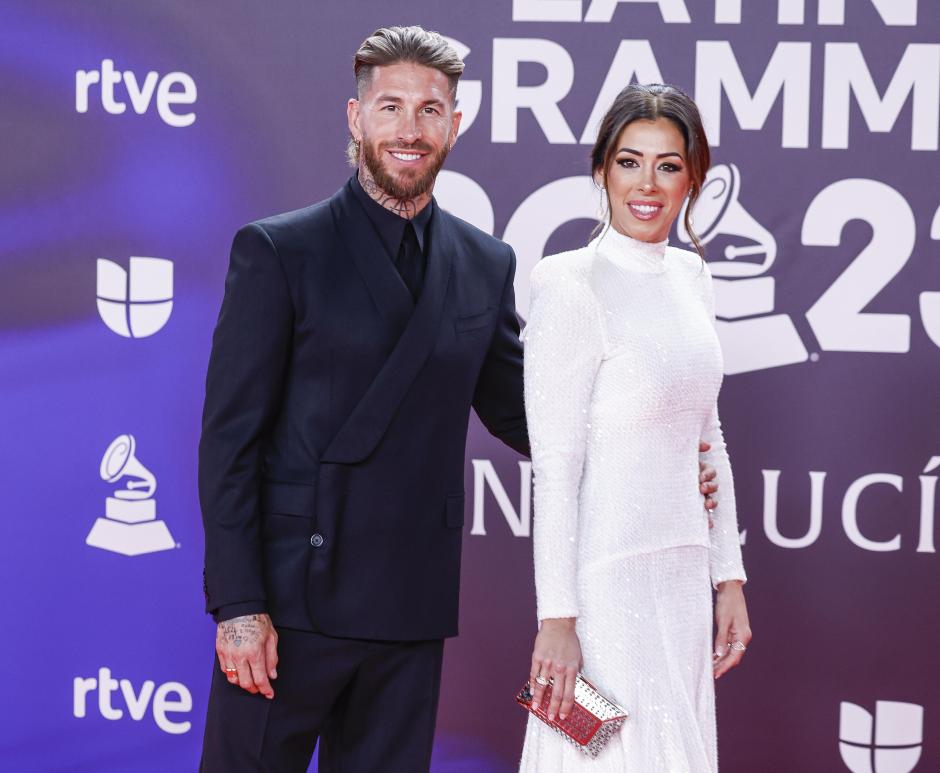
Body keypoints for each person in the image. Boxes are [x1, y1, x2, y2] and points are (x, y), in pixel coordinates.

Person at [198, 25, 720, 771]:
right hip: (286, 606)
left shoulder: (484, 262)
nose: (410, 129)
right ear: (356, 119)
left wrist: (656, 457)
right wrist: (239, 606)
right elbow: (229, 441)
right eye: (391, 108)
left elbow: (535, 413)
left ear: (456, 123)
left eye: (430, 110)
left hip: (409, 605)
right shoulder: (280, 251)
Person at [519, 83, 751, 772]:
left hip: (680, 576)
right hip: (604, 591)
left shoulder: (691, 276)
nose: (646, 184)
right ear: (601, 170)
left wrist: (729, 577)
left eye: (668, 165)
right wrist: (557, 619)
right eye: (629, 161)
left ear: (693, 178)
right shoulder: (569, 283)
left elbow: (710, 437)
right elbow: (555, 467)